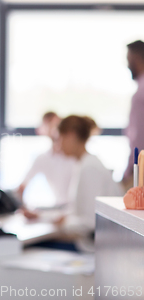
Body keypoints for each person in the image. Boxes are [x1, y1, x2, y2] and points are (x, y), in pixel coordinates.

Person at [53, 115, 122, 252]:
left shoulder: (89, 167)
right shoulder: (84, 164)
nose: (58, 145)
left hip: (91, 248)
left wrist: (64, 223)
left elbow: (90, 222)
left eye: (59, 138)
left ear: (71, 136)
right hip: (91, 243)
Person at [17, 112, 77, 218]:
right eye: (49, 124)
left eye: (56, 124)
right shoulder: (43, 158)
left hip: (74, 211)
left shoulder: (75, 156)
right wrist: (23, 207)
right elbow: (22, 187)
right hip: (58, 211)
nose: (53, 129)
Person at [123, 40, 144, 189]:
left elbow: (138, 136)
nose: (127, 65)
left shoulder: (140, 94)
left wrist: (131, 168)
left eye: (128, 60)